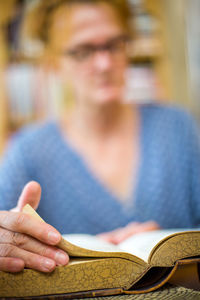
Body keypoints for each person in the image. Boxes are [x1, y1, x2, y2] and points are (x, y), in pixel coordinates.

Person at [0, 0, 200, 274]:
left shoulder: (179, 129)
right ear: (53, 63)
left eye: (114, 44)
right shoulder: (27, 153)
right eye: (83, 51)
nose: (105, 63)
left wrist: (174, 245)